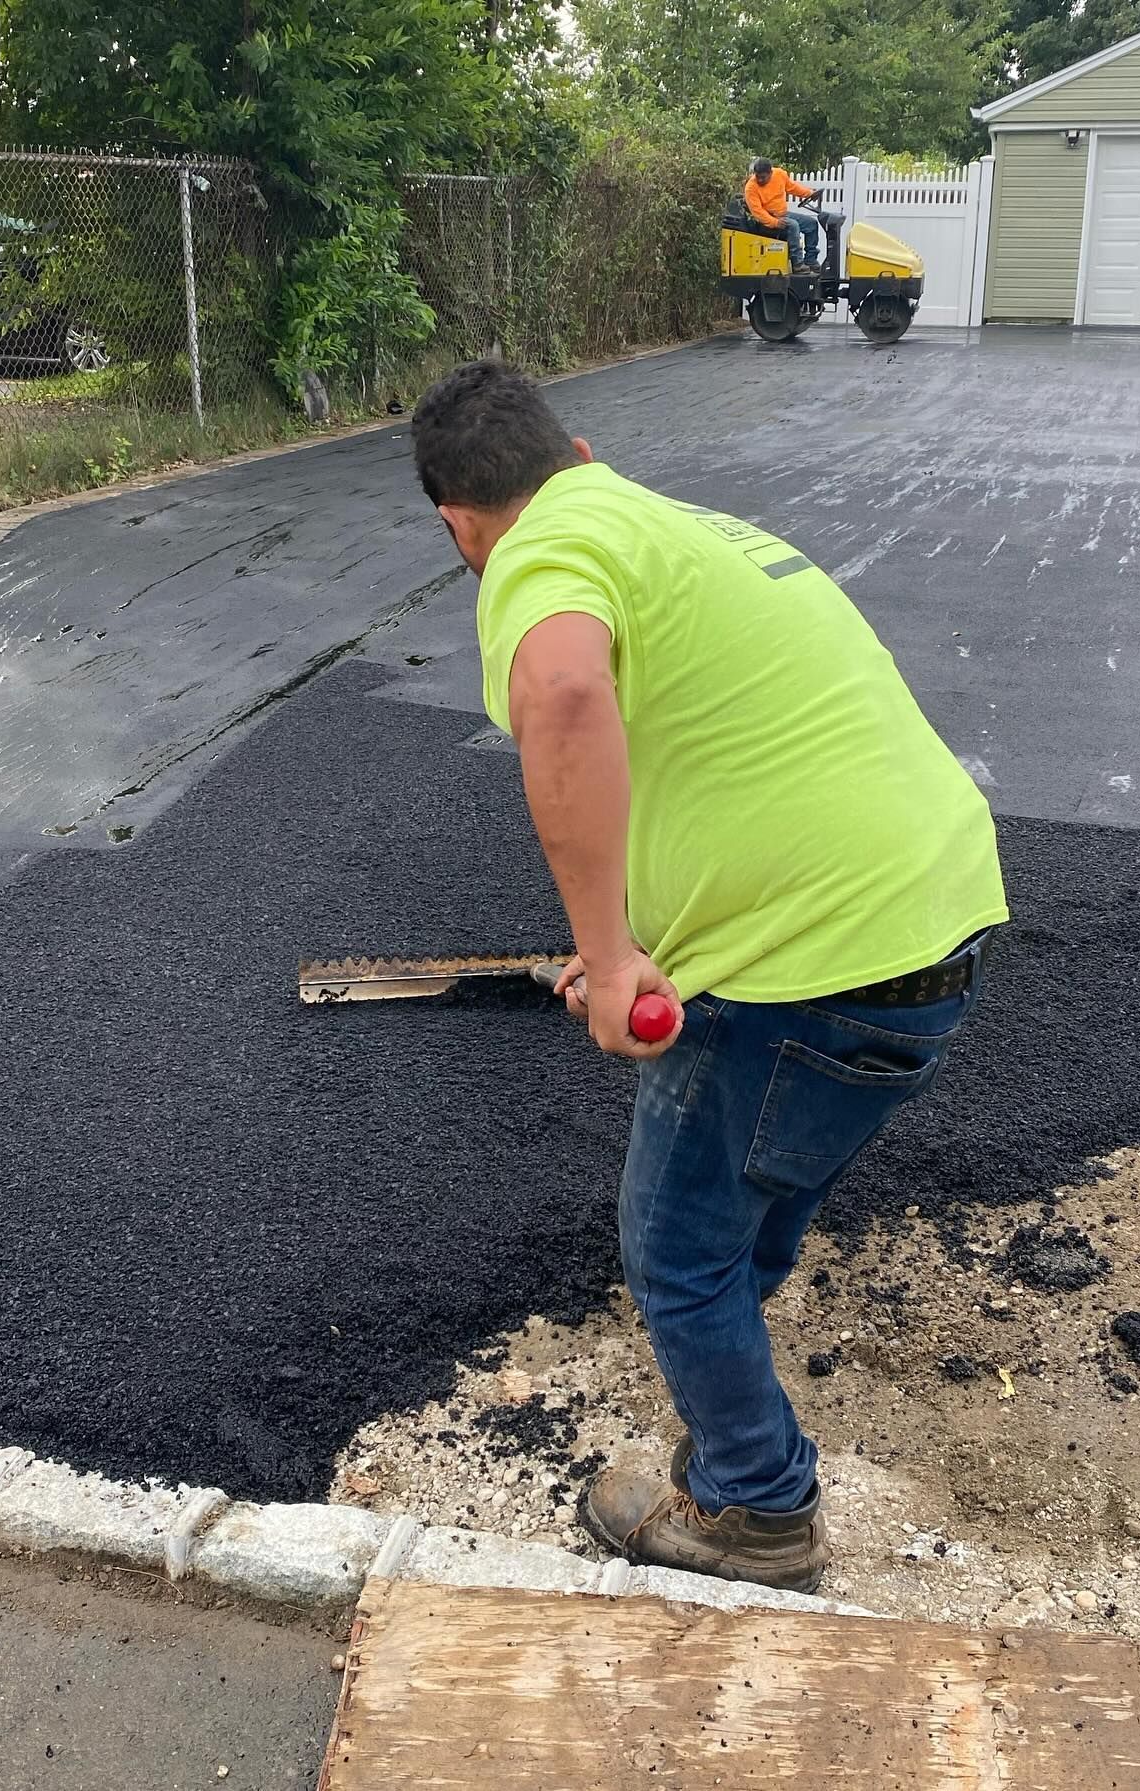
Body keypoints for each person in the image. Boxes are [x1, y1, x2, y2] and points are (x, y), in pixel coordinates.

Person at [409, 360, 1008, 1594]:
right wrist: (625, 930)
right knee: (748, 1203)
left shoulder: (538, 550)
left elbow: (568, 691)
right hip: (934, 923)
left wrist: (617, 956)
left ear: (456, 521)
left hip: (815, 971)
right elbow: (713, 748)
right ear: (576, 449)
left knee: (677, 1249)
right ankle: (732, 1420)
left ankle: (760, 1510)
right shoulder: (674, 526)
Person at [744, 158, 822, 271]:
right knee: (793, 225)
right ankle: (797, 264)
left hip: (783, 214)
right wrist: (774, 222)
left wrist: (809, 193)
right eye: (758, 176)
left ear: (771, 172)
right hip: (766, 221)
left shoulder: (779, 174)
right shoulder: (751, 188)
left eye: (763, 177)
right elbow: (757, 212)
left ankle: (810, 259)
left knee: (811, 224)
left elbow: (793, 187)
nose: (760, 180)